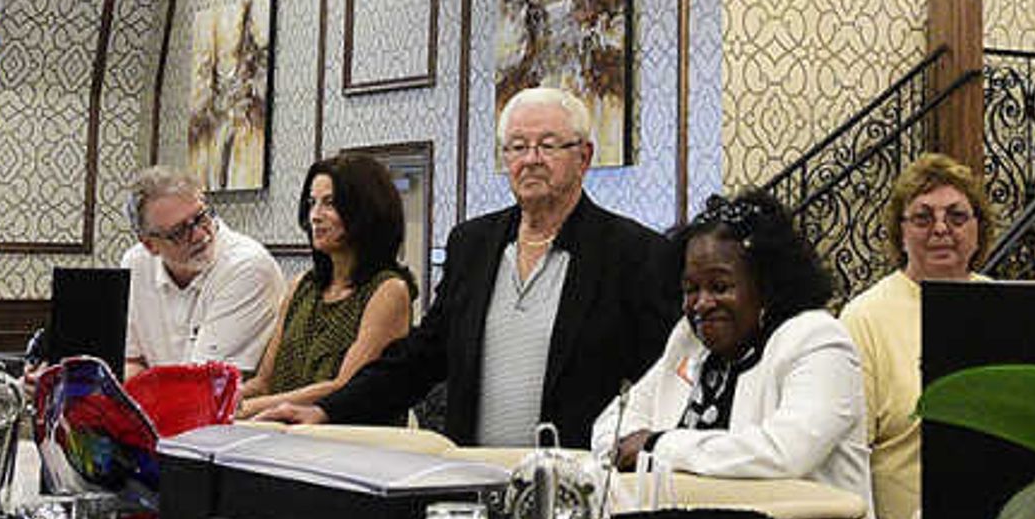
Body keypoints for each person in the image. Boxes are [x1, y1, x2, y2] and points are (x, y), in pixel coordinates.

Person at [256, 85, 673, 447]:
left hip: (576, 488)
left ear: (583, 157)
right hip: (473, 478)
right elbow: (419, 359)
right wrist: (328, 411)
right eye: (517, 146)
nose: (531, 159)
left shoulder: (635, 254)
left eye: (548, 145)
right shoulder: (473, 245)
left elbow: (663, 378)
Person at [598, 192, 877, 519]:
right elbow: (612, 426)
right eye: (690, 289)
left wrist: (658, 446)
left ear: (766, 285)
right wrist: (631, 445)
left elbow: (783, 453)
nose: (702, 304)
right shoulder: (688, 342)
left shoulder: (818, 340)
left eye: (720, 286)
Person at [836, 151, 998, 519]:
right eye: (923, 218)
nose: (941, 229)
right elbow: (851, 456)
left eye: (957, 216)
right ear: (901, 232)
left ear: (979, 229)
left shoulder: (1001, 303)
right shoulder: (864, 317)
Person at [245, 152, 418, 412]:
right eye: (312, 203)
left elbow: (343, 388)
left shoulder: (388, 290)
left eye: (329, 203)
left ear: (365, 210)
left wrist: (249, 409)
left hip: (342, 439)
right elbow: (263, 382)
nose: (315, 215)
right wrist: (225, 399)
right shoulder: (301, 286)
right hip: (276, 432)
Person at [118, 165, 287, 379]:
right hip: (163, 404)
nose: (199, 235)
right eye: (179, 232)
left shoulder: (248, 267)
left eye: (200, 217)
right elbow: (131, 360)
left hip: (231, 408)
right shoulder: (136, 263)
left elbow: (204, 384)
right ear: (150, 245)